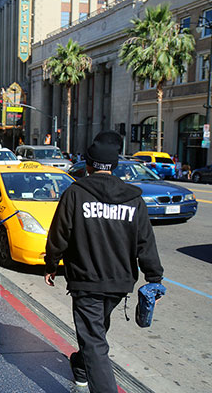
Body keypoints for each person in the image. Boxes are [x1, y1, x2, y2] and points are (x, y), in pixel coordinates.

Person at [44, 131, 164, 391]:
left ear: (87, 165)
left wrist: (51, 265)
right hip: (119, 283)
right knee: (95, 333)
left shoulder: (75, 194)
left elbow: (59, 235)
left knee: (95, 341)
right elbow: (146, 241)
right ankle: (79, 364)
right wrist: (154, 277)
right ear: (115, 166)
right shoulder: (134, 199)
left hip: (86, 281)